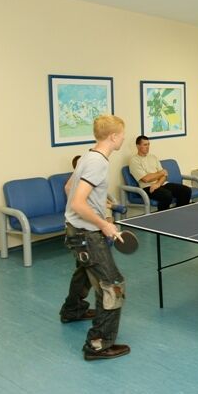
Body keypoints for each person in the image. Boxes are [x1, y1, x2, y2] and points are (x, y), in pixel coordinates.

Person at [60, 114, 131, 361]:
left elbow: (68, 188)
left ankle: (73, 310)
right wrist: (104, 224)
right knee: (113, 285)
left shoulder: (87, 156)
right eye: (122, 135)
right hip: (86, 234)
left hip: (74, 230)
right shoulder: (98, 162)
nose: (124, 138)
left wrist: (95, 214)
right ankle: (99, 344)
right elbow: (78, 202)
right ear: (113, 136)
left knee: (85, 271)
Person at [129, 135, 192, 212]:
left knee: (186, 190)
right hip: (148, 188)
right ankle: (162, 216)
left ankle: (179, 213)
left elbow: (164, 175)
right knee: (167, 195)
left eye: (148, 144)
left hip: (161, 184)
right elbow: (146, 179)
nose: (147, 147)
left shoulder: (153, 157)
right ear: (138, 146)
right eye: (145, 145)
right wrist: (160, 173)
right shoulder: (134, 161)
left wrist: (158, 184)